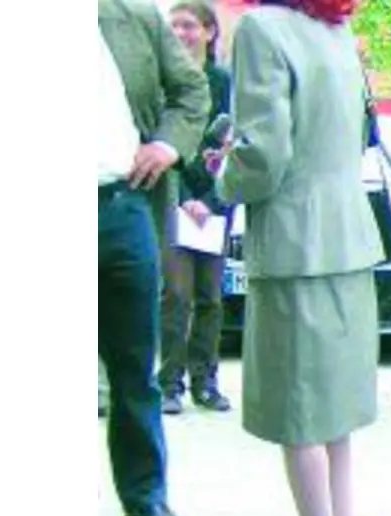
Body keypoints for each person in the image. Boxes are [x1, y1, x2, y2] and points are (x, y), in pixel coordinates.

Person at [214, 0, 384, 516]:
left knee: (299, 412)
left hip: (293, 241)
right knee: (334, 409)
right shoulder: (336, 30)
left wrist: (222, 175)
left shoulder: (262, 29)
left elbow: (264, 154)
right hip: (348, 237)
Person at [97, 0, 209, 516]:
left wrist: (167, 144)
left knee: (134, 362)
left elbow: (192, 90)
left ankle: (145, 496)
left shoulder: (130, 13)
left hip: (122, 205)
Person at [161, 0, 235, 415]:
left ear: (208, 31)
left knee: (210, 295)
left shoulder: (224, 81)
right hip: (175, 198)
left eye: (189, 25)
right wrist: (187, 196)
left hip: (216, 201)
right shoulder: (162, 82)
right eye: (174, 26)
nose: (181, 34)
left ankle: (205, 382)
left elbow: (231, 142)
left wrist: (210, 199)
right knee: (175, 293)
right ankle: (168, 383)